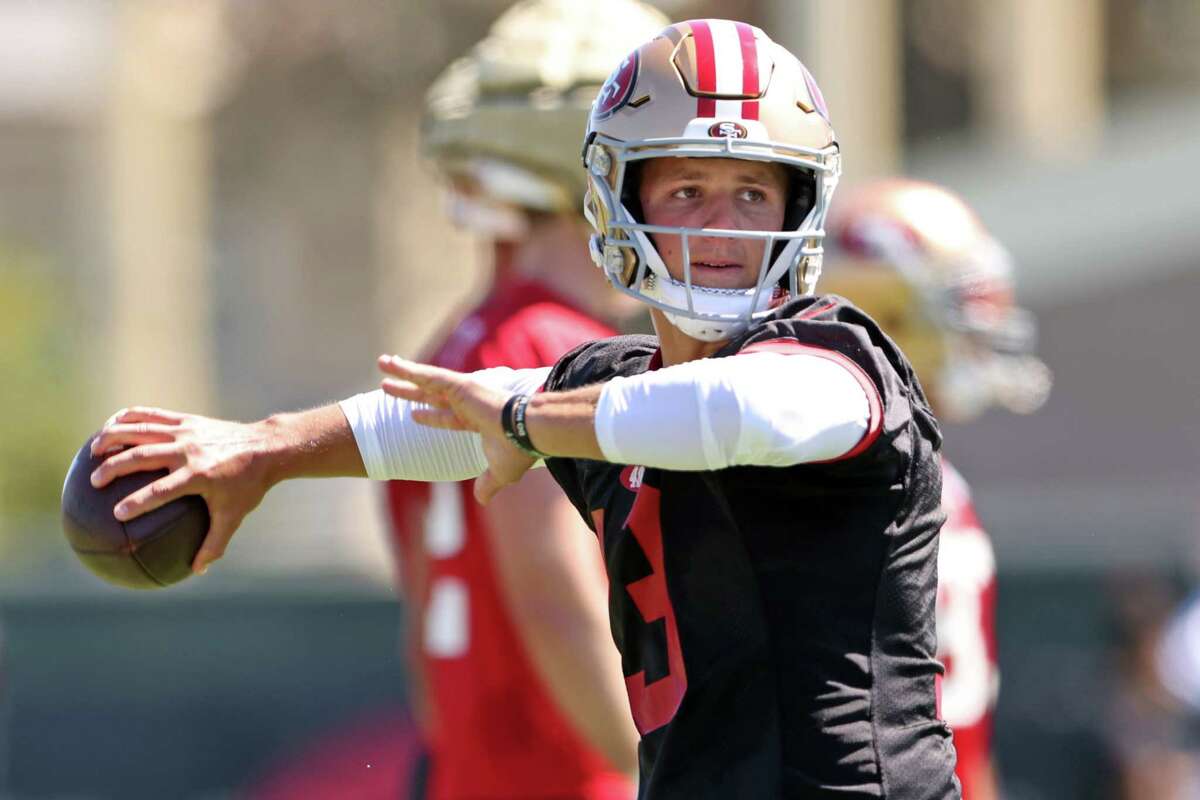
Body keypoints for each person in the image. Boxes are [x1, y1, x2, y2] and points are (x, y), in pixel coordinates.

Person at [89, 20, 960, 799]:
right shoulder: (603, 383)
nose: (722, 229)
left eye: (754, 192)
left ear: (800, 205)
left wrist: (524, 423)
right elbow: (448, 422)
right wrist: (265, 449)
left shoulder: (836, 357)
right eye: (687, 191)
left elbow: (735, 413)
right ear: (619, 205)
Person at [382, 2, 667, 798]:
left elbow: (423, 647)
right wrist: (666, 778)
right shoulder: (547, 347)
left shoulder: (454, 345)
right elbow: (556, 600)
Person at [822, 179, 1054, 800]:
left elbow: (964, 733)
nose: (982, 324)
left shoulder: (938, 480)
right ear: (886, 313)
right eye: (960, 302)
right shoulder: (834, 483)